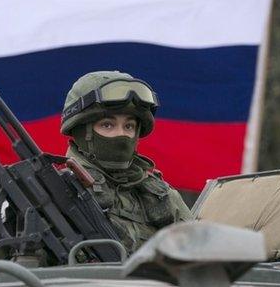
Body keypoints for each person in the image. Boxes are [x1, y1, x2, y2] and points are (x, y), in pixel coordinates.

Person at [61, 71, 192, 253]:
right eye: (108, 125)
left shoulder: (162, 194)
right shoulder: (56, 193)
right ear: (82, 131)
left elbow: (203, 258)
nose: (121, 134)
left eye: (129, 126)